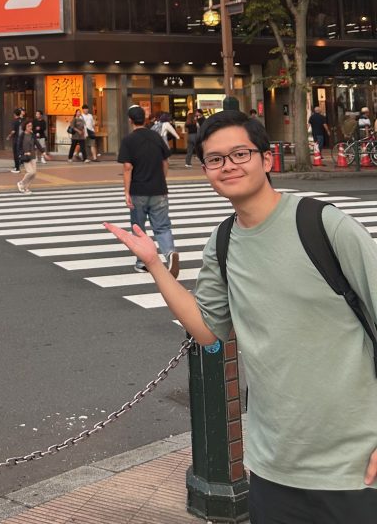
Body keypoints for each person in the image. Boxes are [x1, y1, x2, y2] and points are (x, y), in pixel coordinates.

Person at [106, 110, 377, 522]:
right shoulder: (223, 243)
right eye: (215, 159)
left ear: (266, 160)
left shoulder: (323, 225)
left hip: (355, 465)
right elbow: (207, 331)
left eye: (240, 154)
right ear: (206, 171)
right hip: (272, 466)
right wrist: (156, 266)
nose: (228, 166)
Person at [116, 106, 179, 276]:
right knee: (162, 226)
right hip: (159, 189)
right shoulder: (156, 136)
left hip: (138, 190)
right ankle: (170, 253)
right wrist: (161, 180)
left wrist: (126, 192)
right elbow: (165, 162)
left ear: (130, 120)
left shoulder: (129, 140)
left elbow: (127, 167)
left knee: (139, 228)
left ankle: (142, 262)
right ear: (144, 119)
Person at [16, 119, 37, 194]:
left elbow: (37, 143)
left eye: (31, 126)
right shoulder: (22, 135)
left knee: (34, 174)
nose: (30, 127)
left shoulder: (32, 135)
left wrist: (43, 152)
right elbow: (18, 147)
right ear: (25, 127)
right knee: (30, 172)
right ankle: (21, 183)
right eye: (28, 126)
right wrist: (24, 153)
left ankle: (26, 187)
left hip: (33, 156)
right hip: (26, 157)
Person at [8, 108, 23, 173]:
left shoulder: (15, 121)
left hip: (16, 139)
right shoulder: (22, 120)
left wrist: (9, 136)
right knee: (19, 153)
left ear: (14, 114)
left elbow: (13, 131)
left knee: (16, 154)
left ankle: (17, 168)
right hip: (21, 139)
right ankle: (17, 166)